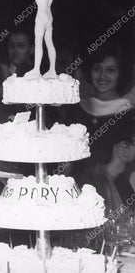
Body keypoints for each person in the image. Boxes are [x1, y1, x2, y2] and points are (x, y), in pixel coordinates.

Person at [65, 44, 135, 213]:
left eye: (111, 70)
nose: (102, 76)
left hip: (116, 199)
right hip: (78, 195)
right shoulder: (75, 109)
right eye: (97, 69)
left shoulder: (130, 115)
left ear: (120, 75)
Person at [22, 0, 57, 79]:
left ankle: (36, 70)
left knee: (38, 42)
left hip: (41, 14)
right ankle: (52, 69)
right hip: (49, 16)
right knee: (49, 43)